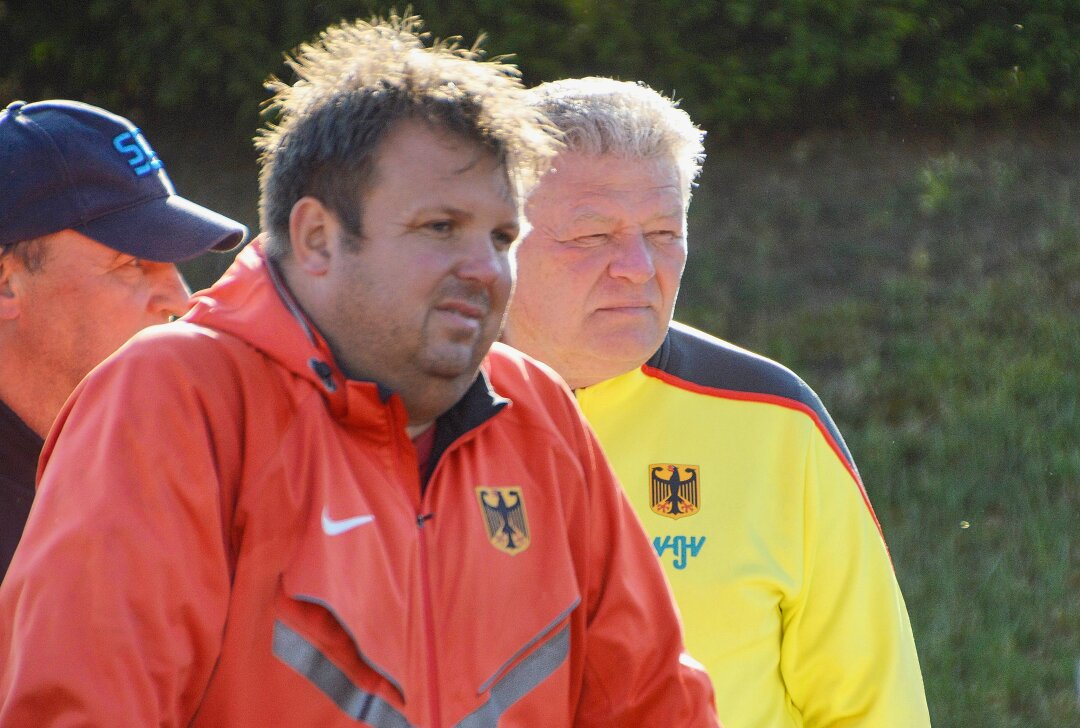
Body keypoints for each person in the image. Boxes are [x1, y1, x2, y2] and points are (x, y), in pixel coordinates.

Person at [0, 19, 720, 727]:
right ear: (317, 237)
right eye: (439, 227)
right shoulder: (170, 398)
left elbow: (656, 703)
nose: (484, 268)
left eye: (501, 236)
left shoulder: (536, 409)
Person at [503, 77, 932, 727]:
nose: (640, 267)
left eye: (663, 232)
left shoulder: (774, 420)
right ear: (499, 237)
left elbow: (873, 704)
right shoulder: (412, 412)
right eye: (594, 237)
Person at [0, 99, 247, 581]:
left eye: (175, 266)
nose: (182, 299)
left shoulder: (173, 473)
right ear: (6, 282)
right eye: (133, 262)